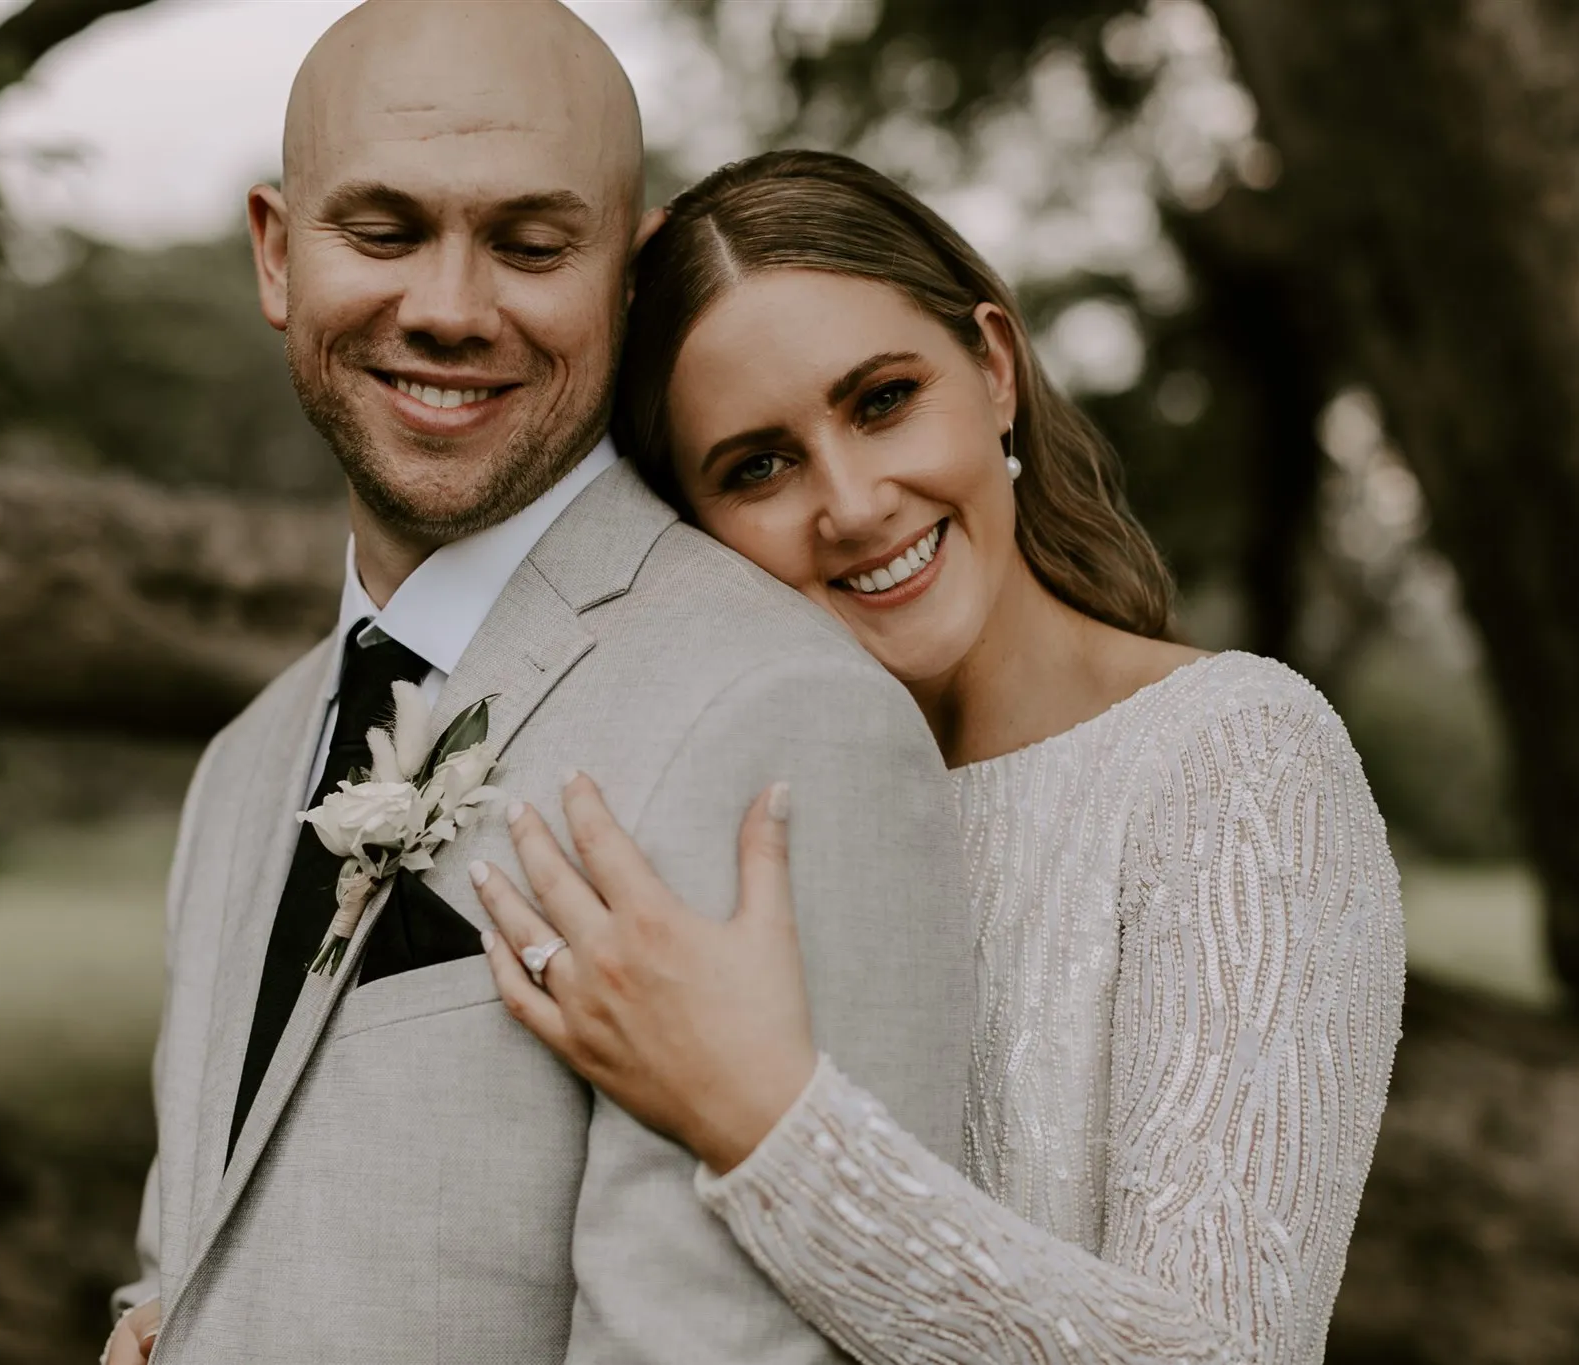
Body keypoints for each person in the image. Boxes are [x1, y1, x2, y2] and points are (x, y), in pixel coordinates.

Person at [102, 13, 976, 1365]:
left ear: (628, 277)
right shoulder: (242, 763)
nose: (450, 309)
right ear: (279, 253)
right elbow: (204, 1260)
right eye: (383, 233)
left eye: (529, 244)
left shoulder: (774, 716)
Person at [472, 150, 1408, 1365]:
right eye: (757, 466)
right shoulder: (722, 817)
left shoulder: (1232, 762)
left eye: (880, 400)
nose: (853, 503)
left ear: (994, 369)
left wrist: (759, 1119)